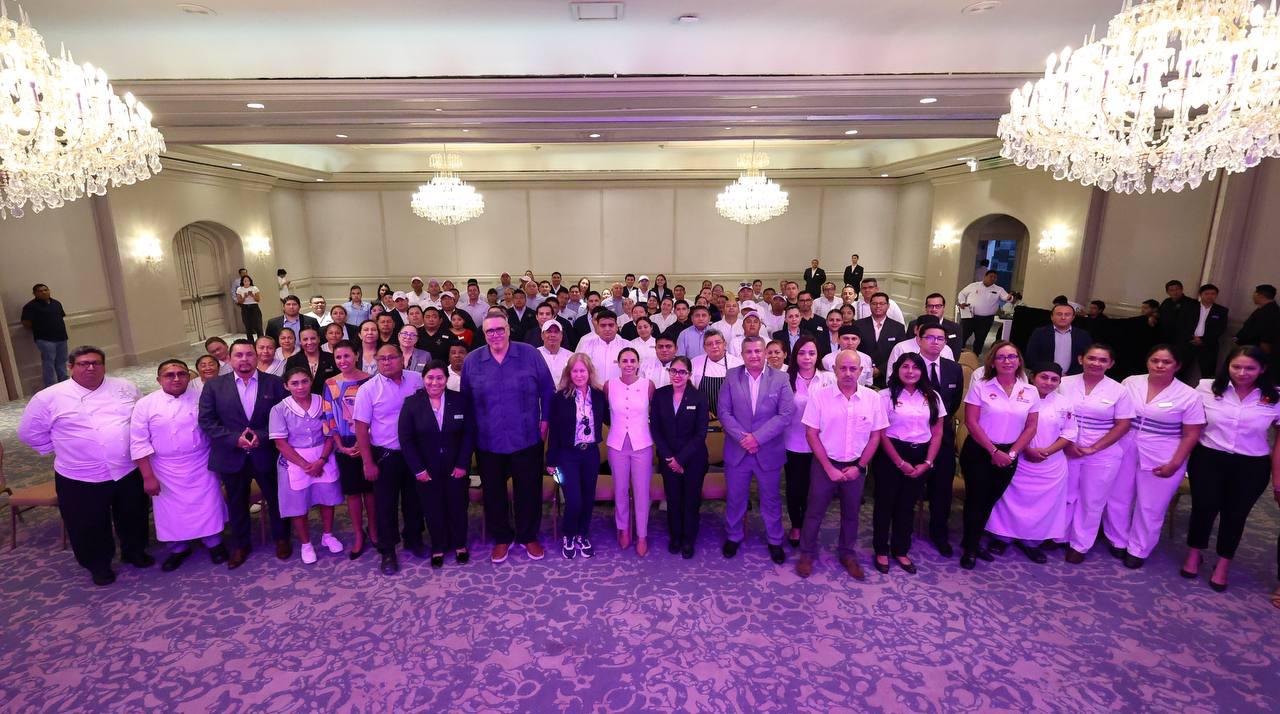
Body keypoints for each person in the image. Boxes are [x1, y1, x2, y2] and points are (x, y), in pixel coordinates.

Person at [18, 346, 150, 586]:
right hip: (80, 475)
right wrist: (64, 448)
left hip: (127, 469)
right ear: (70, 367)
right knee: (87, 524)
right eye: (83, 363)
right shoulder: (49, 397)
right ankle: (98, 565)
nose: (90, 368)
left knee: (133, 514)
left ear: (104, 365)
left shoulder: (125, 386)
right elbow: (29, 433)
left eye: (96, 363)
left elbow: (141, 419)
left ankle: (134, 552)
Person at [1180, 346, 1280, 591]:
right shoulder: (1206, 388)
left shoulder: (1274, 396)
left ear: (1262, 369)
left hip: (1252, 465)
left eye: (1250, 368)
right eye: (1236, 366)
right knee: (1203, 508)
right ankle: (1194, 554)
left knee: (1235, 515)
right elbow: (1190, 425)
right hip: (1208, 458)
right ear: (1227, 366)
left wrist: (1278, 480)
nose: (1242, 373)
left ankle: (1223, 564)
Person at [461, 314, 556, 563]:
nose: (495, 335)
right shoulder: (472, 361)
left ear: (508, 330)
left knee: (529, 490)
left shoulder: (530, 354)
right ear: (484, 334)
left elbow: (548, 389)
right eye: (490, 331)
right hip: (488, 440)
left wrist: (545, 421)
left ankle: (528, 536)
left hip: (526, 437)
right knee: (494, 493)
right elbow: (466, 401)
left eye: (499, 329)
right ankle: (502, 537)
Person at [1103, 345, 1205, 569]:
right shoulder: (1131, 382)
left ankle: (1139, 548)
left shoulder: (1189, 395)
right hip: (1125, 446)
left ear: (1177, 366)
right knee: (1117, 496)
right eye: (1154, 360)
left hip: (1164, 454)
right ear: (1147, 361)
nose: (1159, 365)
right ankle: (1117, 539)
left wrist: (1175, 463)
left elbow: (1192, 434)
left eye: (1166, 362)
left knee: (1151, 505)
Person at [795, 350, 888, 580]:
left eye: (853, 369)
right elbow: (811, 434)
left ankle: (847, 553)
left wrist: (860, 467)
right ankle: (806, 553)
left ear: (861, 371)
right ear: (834, 369)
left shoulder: (872, 398)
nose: (847, 373)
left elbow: (875, 436)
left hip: (856, 467)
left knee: (851, 514)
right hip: (824, 465)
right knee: (814, 512)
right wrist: (829, 468)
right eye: (843, 368)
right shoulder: (819, 396)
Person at [198, 339, 290, 569]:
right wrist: (234, 439)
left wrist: (262, 435)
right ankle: (241, 545)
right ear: (229, 359)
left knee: (276, 498)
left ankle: (282, 538)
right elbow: (207, 421)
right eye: (238, 355)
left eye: (249, 354)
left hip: (265, 452)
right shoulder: (214, 387)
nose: (244, 359)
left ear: (256, 357)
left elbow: (284, 417)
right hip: (231, 455)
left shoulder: (274, 383)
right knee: (236, 503)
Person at [131, 359, 229, 572]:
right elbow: (138, 443)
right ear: (159, 379)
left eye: (181, 374)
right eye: (170, 375)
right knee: (171, 512)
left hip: (201, 461)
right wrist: (147, 476)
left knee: (209, 504)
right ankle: (178, 548)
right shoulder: (145, 405)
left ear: (189, 376)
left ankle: (214, 543)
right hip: (164, 467)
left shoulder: (203, 397)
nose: (176, 378)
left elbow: (216, 428)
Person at [958, 341, 1040, 570]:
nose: (1007, 361)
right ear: (993, 362)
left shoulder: (1030, 390)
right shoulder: (982, 386)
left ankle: (971, 539)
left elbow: (1031, 427)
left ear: (1019, 361)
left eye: (1012, 356)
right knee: (976, 500)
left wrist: (1011, 453)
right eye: (1001, 357)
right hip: (979, 451)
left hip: (1009, 454)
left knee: (989, 501)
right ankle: (971, 548)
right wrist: (993, 451)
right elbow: (971, 422)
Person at [985, 363, 1076, 563]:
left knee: (1042, 506)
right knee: (1009, 500)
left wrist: (1047, 451)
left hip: (1051, 463)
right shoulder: (1021, 397)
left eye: (1054, 379)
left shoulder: (1064, 403)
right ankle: (1002, 538)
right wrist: (1026, 449)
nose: (1049, 382)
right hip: (1020, 458)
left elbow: (1069, 433)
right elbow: (1009, 426)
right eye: (1044, 377)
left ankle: (1032, 542)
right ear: (1033, 376)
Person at [719, 336, 796, 564]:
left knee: (771, 499)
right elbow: (724, 412)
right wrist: (744, 438)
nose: (753, 355)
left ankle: (775, 539)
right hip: (738, 450)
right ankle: (733, 536)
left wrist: (757, 438)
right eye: (749, 351)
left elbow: (785, 415)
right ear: (742, 355)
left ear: (765, 353)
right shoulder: (731, 376)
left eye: (758, 351)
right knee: (735, 498)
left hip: (768, 450)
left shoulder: (781, 378)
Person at [354, 343, 425, 575]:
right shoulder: (368, 389)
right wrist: (367, 462)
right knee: (385, 505)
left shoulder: (416, 380)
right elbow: (361, 428)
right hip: (385, 455)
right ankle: (388, 551)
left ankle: (414, 539)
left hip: (414, 454)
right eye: (381, 359)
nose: (386, 362)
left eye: (391, 357)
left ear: (402, 359)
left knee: (415, 501)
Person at [1059, 344, 1135, 563]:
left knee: (1092, 499)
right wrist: (1066, 444)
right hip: (1067, 449)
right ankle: (1059, 535)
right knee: (1065, 495)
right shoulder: (1064, 383)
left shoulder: (1119, 391)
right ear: (1080, 359)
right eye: (1091, 358)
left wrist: (1094, 448)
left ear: (1111, 364)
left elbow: (1123, 424)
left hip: (1102, 454)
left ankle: (1080, 544)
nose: (1096, 363)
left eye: (1103, 360)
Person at [872, 353, 944, 574]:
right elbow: (881, 433)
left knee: (907, 505)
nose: (910, 371)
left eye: (915, 367)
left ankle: (901, 549)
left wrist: (928, 462)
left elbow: (937, 432)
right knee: (885, 505)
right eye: (905, 366)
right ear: (897, 369)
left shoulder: (933, 396)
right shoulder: (884, 396)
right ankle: (881, 550)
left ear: (922, 371)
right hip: (891, 454)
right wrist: (899, 462)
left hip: (921, 455)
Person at [399, 360, 475, 569]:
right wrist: (418, 469)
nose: (435, 382)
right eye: (430, 378)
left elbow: (469, 434)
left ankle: (460, 544)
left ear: (446, 379)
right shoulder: (412, 403)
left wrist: (463, 464)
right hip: (426, 468)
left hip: (456, 466)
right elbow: (406, 439)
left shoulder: (461, 400)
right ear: (423, 379)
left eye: (439, 378)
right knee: (433, 508)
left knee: (458, 506)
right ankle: (438, 546)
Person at [270, 367, 344, 564]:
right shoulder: (279, 409)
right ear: (286, 386)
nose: (300, 386)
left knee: (327, 499)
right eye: (294, 383)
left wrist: (321, 461)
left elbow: (331, 433)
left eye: (304, 381)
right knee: (299, 505)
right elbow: (280, 443)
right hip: (294, 461)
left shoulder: (323, 402)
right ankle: (306, 544)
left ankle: (327, 535)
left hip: (324, 456)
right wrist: (305, 465)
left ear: (311, 381)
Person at [545, 353, 608, 560]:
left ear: (589, 373)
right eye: (575, 371)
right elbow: (554, 431)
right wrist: (551, 460)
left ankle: (582, 534)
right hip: (567, 455)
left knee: (588, 498)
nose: (579, 375)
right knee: (574, 500)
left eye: (583, 371)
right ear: (569, 373)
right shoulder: (560, 397)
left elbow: (611, 417)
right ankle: (569, 535)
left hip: (590, 453)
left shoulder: (598, 395)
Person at [649, 355, 710, 559]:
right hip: (668, 458)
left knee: (691, 500)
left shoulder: (699, 397)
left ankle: (688, 539)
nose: (677, 375)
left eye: (682, 372)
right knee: (673, 499)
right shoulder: (660, 395)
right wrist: (669, 458)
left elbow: (700, 433)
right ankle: (675, 536)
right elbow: (655, 429)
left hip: (694, 459)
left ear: (689, 374)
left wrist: (680, 460)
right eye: (673, 371)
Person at [322, 342, 375, 560]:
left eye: (347, 356)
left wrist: (364, 443)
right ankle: (358, 534)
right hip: (343, 443)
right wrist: (340, 445)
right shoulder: (330, 383)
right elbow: (328, 415)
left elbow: (376, 414)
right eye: (338, 357)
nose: (343, 361)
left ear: (356, 355)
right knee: (352, 492)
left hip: (368, 442)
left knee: (370, 490)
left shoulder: (370, 381)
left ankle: (374, 530)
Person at [782, 336, 836, 548]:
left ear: (818, 355)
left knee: (816, 489)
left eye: (811, 353)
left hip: (821, 445)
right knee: (795, 487)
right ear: (795, 355)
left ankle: (810, 524)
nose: (807, 357)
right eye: (802, 353)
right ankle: (796, 525)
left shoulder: (828, 378)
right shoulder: (785, 378)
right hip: (792, 442)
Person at [606, 348, 656, 556]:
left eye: (632, 360)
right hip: (617, 445)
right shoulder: (609, 385)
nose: (628, 364)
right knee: (620, 490)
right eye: (624, 360)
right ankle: (624, 528)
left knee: (642, 492)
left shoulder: (648, 385)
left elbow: (654, 412)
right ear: (618, 363)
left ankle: (642, 534)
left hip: (642, 445)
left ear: (638, 363)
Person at [854, 292, 907, 388]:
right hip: (861, 375)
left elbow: (900, 353)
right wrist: (868, 369)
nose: (878, 306)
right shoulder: (858, 325)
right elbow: (854, 349)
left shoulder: (898, 327)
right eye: (874, 303)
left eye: (882, 303)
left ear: (888, 306)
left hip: (887, 376)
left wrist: (881, 369)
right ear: (870, 305)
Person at [957, 271, 1016, 356]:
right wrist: (962, 302)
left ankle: (975, 356)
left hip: (986, 319)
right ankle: (958, 354)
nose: (993, 279)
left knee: (980, 338)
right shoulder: (973, 285)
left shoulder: (999, 289)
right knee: (962, 336)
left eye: (995, 277)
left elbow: (1007, 298)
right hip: (969, 316)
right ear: (985, 276)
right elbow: (962, 293)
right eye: (991, 276)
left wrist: (1010, 298)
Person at [1024, 303, 1092, 376]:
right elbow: (1031, 357)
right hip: (1045, 377)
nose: (1063, 317)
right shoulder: (1039, 333)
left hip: (1072, 377)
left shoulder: (1083, 335)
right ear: (1052, 317)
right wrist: (1049, 373)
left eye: (1067, 315)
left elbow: (1087, 358)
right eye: (1059, 314)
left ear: (1073, 317)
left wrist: (1069, 375)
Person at [691, 329, 743, 417]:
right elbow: (689, 393)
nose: (714, 346)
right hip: (704, 417)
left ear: (725, 344)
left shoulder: (738, 364)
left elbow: (744, 395)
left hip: (732, 417)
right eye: (709, 344)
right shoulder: (694, 363)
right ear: (704, 347)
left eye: (718, 342)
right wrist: (701, 410)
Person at [1185, 284, 1229, 382]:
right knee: (1181, 370)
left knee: (1208, 374)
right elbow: (1182, 325)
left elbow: (1220, 329)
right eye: (1207, 293)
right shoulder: (1189, 307)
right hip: (1188, 342)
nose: (1210, 296)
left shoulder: (1221, 310)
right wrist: (1191, 338)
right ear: (1201, 295)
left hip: (1208, 345)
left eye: (1213, 294)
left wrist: (1202, 340)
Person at [577, 309, 631, 382]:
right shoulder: (587, 346)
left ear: (616, 327)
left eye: (611, 325)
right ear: (597, 327)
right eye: (603, 325)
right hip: (594, 388)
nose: (607, 329)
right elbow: (578, 370)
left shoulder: (627, 346)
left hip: (621, 388)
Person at [1235, 284, 1280, 365]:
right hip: (1250, 350)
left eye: (1254, 293)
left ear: (1259, 295)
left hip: (1255, 354)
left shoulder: (1270, 312)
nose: (1253, 296)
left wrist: (1263, 360)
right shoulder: (1264, 309)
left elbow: (1266, 339)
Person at [285, 327, 339, 395]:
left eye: (313, 338)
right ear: (300, 341)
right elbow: (289, 385)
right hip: (301, 399)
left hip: (328, 398)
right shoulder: (292, 361)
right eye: (305, 339)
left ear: (319, 339)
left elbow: (339, 382)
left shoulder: (332, 358)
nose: (309, 342)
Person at [888, 314, 956, 368]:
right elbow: (891, 377)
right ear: (916, 329)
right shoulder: (901, 348)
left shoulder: (946, 350)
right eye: (924, 329)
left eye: (932, 330)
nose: (929, 333)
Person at [1157, 280, 1199, 364]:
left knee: (1180, 362)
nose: (1174, 292)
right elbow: (1159, 315)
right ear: (1167, 292)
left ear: (1182, 289)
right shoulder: (1166, 302)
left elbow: (1197, 321)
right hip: (1166, 338)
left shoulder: (1192, 303)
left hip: (1183, 340)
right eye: (1171, 290)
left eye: (1177, 289)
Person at [234, 275, 264, 342]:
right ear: (242, 282)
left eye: (248, 281)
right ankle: (251, 342)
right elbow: (240, 301)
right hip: (245, 308)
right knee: (248, 327)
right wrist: (244, 297)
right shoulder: (239, 289)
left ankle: (261, 341)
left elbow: (258, 299)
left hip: (254, 307)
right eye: (245, 281)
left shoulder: (254, 288)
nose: (247, 282)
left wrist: (252, 295)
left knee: (258, 326)